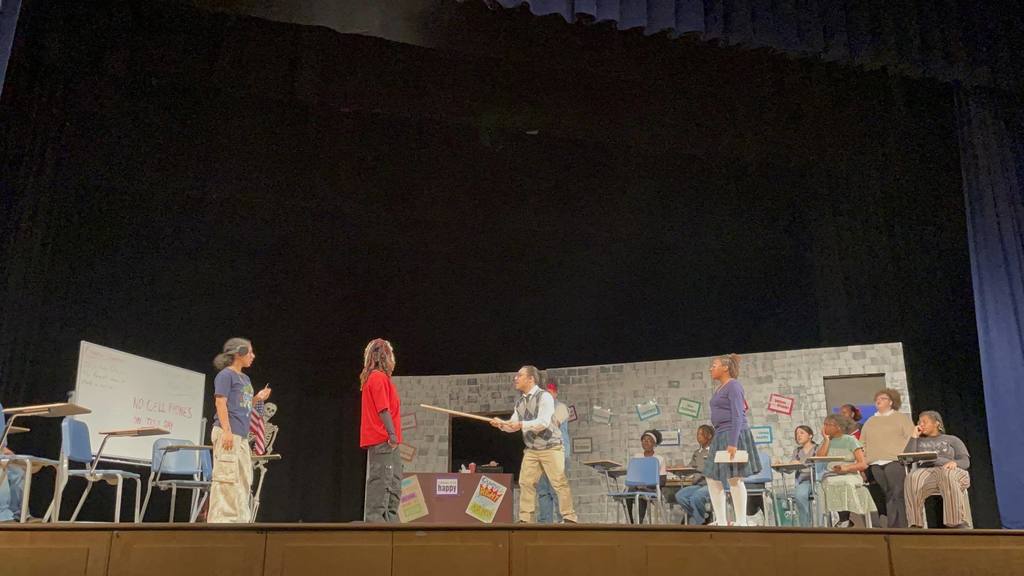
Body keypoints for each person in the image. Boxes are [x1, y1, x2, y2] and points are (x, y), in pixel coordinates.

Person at [491, 365, 577, 523]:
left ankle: (569, 516)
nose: (515, 378)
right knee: (526, 482)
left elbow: (543, 422)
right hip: (532, 449)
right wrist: (502, 425)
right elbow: (513, 424)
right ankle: (525, 518)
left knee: (559, 482)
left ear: (531, 379)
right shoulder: (520, 403)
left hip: (551, 447)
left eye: (520, 375)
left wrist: (521, 425)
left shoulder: (544, 397)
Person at [209, 338, 271, 523]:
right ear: (239, 353)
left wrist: (258, 397)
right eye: (250, 352)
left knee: (243, 479)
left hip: (241, 436)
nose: (253, 356)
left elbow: (243, 405)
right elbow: (221, 402)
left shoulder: (245, 378)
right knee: (226, 480)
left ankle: (240, 521)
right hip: (228, 433)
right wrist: (226, 431)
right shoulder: (226, 375)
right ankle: (221, 523)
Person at [703, 353, 761, 526]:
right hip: (720, 433)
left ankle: (741, 521)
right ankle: (721, 520)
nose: (711, 368)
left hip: (732, 433)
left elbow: (737, 414)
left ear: (725, 367)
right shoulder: (721, 388)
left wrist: (733, 443)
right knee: (712, 477)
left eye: (714, 365)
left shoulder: (734, 386)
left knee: (734, 478)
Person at [903, 411, 971, 528]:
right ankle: (915, 524)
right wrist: (913, 436)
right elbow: (907, 458)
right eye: (919, 422)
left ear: (937, 424)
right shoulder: (918, 441)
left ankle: (956, 523)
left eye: (925, 422)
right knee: (911, 478)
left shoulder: (952, 439)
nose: (921, 424)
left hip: (952, 471)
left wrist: (954, 462)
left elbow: (965, 462)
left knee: (947, 475)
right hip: (929, 473)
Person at [359, 338, 403, 523]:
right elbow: (382, 409)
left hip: (390, 441)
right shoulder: (377, 377)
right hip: (382, 439)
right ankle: (376, 524)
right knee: (381, 482)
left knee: (394, 483)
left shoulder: (383, 379)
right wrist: (391, 434)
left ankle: (391, 522)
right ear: (385, 356)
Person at [860, 388, 915, 528]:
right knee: (888, 493)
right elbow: (862, 443)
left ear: (891, 402)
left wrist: (907, 456)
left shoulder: (901, 418)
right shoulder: (870, 421)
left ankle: (902, 525)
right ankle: (893, 526)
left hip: (895, 461)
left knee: (898, 492)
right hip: (875, 463)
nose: (879, 400)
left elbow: (911, 438)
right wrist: (862, 463)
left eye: (883, 398)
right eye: (877, 399)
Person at [817, 414, 875, 527]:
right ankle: (842, 520)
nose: (824, 428)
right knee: (829, 483)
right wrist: (826, 440)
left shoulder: (850, 440)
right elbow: (819, 458)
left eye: (827, 425)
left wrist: (846, 468)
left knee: (844, 482)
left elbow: (863, 464)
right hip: (831, 475)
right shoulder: (825, 442)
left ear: (838, 427)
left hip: (850, 474)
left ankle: (844, 519)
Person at [536, 381, 571, 523]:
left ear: (555, 393)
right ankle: (545, 523)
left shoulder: (561, 408)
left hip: (558, 456)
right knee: (543, 492)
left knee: (557, 489)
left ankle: (563, 521)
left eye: (550, 393)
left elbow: (553, 424)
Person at [623, 429, 667, 524]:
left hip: (652, 489)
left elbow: (663, 481)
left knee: (641, 493)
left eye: (649, 440)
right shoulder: (637, 456)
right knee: (628, 491)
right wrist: (637, 485)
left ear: (654, 444)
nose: (646, 442)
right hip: (637, 487)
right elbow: (633, 476)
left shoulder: (659, 459)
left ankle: (639, 523)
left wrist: (646, 486)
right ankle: (630, 521)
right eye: (644, 440)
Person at [675, 425, 713, 525]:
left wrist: (699, 471)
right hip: (697, 485)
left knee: (696, 497)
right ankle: (703, 519)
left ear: (709, 436)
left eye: (701, 434)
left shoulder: (714, 451)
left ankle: (699, 521)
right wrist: (680, 469)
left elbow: (712, 469)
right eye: (697, 434)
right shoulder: (697, 453)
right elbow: (690, 468)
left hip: (710, 485)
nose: (698, 437)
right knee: (680, 495)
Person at [786, 425, 818, 527]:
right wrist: (785, 466)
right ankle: (805, 526)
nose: (798, 436)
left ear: (810, 435)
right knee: (800, 495)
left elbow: (819, 465)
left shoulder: (818, 448)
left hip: (817, 480)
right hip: (803, 481)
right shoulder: (797, 451)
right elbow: (790, 470)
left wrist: (801, 464)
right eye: (796, 434)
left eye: (801, 433)